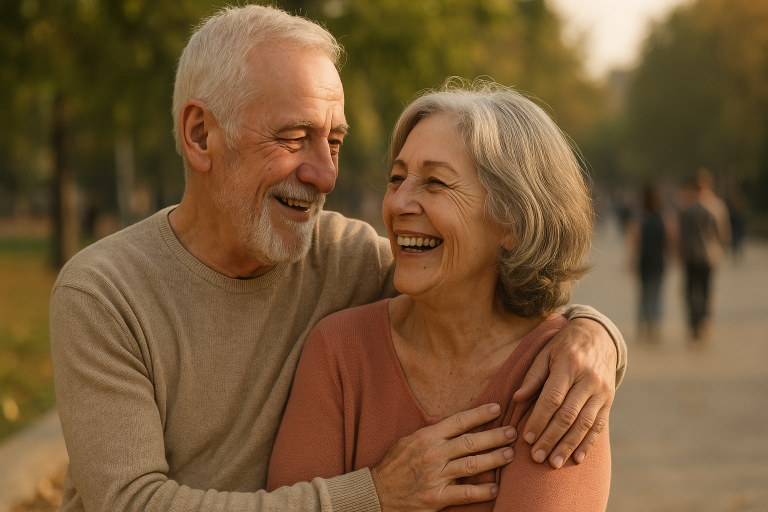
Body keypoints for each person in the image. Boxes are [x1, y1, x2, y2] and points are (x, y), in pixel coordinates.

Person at [50, 6, 626, 512]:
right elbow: (129, 504)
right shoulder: (105, 293)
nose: (325, 173)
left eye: (334, 142)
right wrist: (372, 496)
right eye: (294, 137)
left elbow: (483, 286)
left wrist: (595, 334)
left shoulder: (345, 258)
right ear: (201, 135)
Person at [268, 82, 612, 510]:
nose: (397, 203)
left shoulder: (561, 378)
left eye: (435, 183)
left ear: (512, 222)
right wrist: (378, 492)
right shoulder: (338, 349)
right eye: (396, 179)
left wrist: (598, 332)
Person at [678, 169, 730, 340]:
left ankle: (694, 322)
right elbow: (723, 233)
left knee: (691, 290)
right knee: (707, 290)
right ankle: (704, 320)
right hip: (710, 255)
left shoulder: (687, 207)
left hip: (691, 254)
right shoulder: (717, 206)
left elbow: (681, 234)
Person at [626, 184, 676, 341]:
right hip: (659, 260)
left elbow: (635, 242)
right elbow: (670, 239)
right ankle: (655, 325)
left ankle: (643, 325)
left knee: (643, 294)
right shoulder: (665, 217)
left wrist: (631, 260)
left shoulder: (639, 217)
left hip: (644, 260)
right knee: (657, 294)